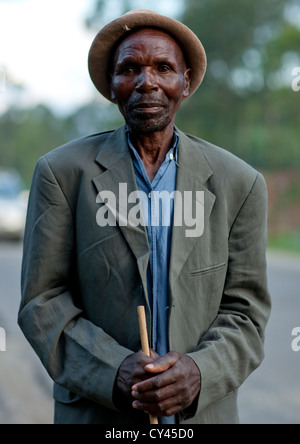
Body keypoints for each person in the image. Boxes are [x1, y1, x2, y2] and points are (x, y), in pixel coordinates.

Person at [18, 9, 271, 424]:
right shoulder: (62, 175)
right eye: (130, 69)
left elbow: (247, 313)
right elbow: (41, 302)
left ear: (185, 82)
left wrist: (198, 373)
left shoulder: (239, 184)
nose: (147, 82)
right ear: (112, 86)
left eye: (164, 68)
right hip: (98, 415)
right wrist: (113, 370)